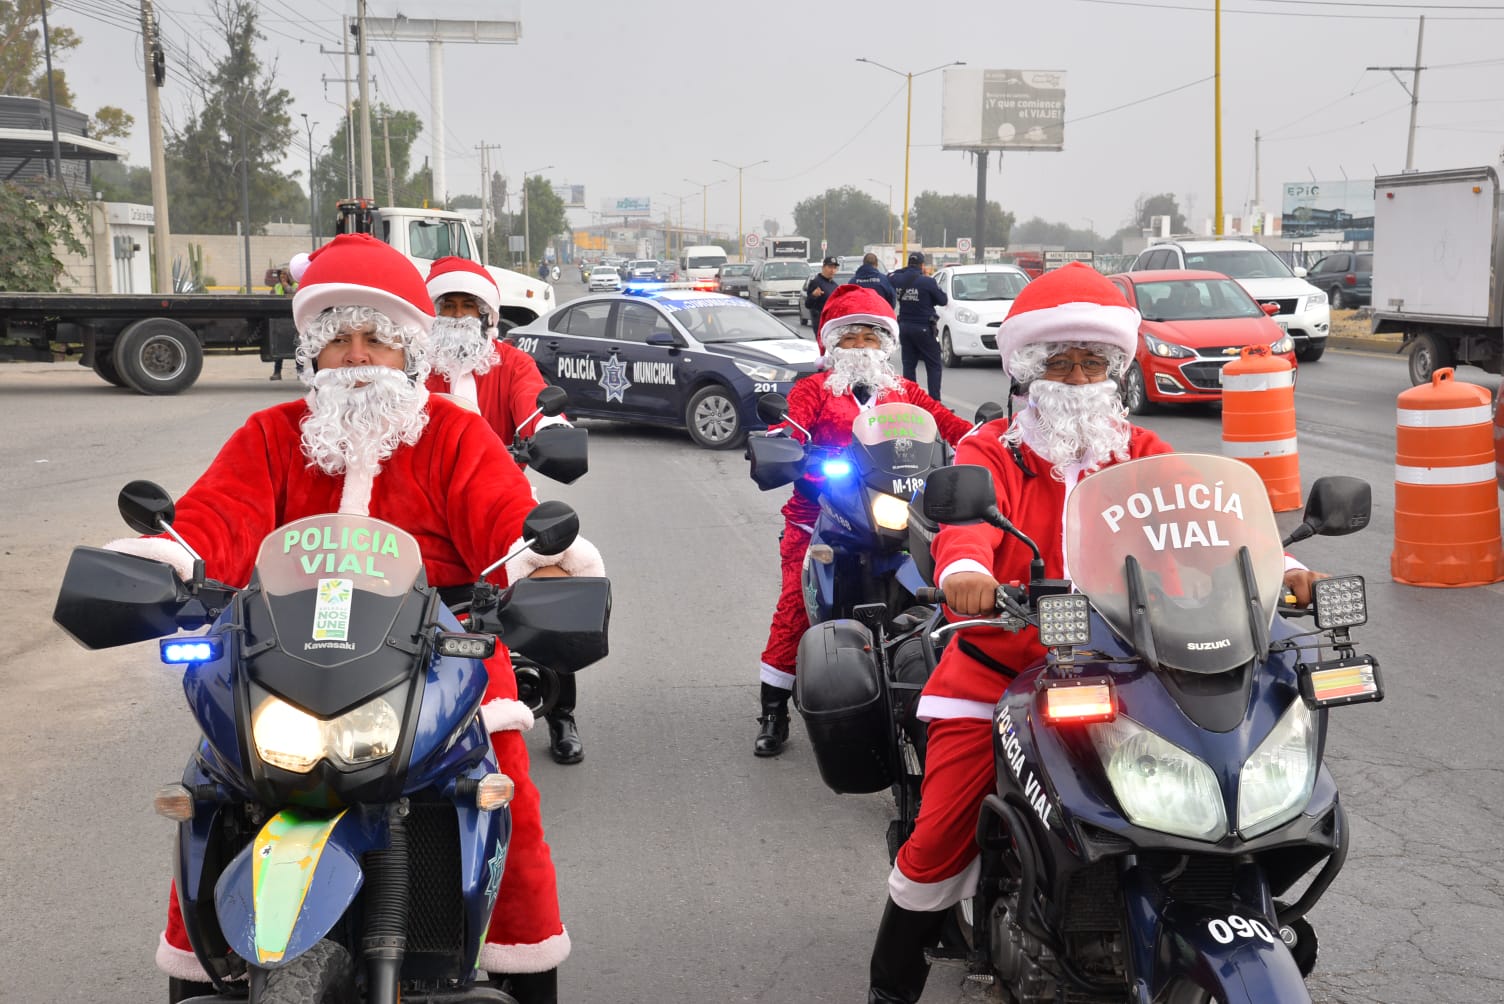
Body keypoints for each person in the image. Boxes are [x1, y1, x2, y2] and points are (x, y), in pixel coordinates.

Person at [106, 234, 577, 1004]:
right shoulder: (272, 435)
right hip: (282, 659)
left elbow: (507, 522)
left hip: (439, 650)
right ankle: (202, 970)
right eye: (339, 340)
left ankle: (525, 968)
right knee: (215, 783)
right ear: (312, 355)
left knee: (503, 788)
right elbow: (214, 519)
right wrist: (164, 561)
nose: (359, 357)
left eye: (379, 338)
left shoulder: (456, 437)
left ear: (410, 349)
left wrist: (540, 567)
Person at [864, 263, 1327, 1002]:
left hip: (1138, 668)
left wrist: (1286, 565)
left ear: (1114, 369)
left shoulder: (1142, 453)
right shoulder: (995, 452)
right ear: (1026, 368)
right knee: (940, 837)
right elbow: (962, 534)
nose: (1077, 378)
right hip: (1004, 669)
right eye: (1059, 360)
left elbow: (1209, 524)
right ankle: (890, 990)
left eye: (1092, 362)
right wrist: (963, 576)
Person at [754, 284, 973, 757]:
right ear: (832, 344)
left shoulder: (904, 391)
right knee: (797, 600)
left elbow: (948, 424)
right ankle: (773, 708)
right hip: (821, 513)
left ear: (886, 345)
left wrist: (985, 436)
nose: (860, 348)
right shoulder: (813, 389)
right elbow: (787, 427)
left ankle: (942, 693)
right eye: (850, 339)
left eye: (870, 339)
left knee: (942, 592)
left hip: (898, 513)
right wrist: (785, 442)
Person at [425, 254, 603, 765]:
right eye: (448, 305)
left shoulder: (511, 363)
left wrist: (549, 432)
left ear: (487, 314)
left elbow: (534, 404)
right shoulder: (412, 366)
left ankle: (561, 713)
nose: (458, 316)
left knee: (552, 585)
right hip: (421, 515)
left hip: (500, 513)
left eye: (469, 306)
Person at [887, 251, 949, 400]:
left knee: (909, 366)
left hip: (905, 327)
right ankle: (934, 401)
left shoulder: (897, 279)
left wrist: (906, 271)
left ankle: (911, 400)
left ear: (908, 264)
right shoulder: (927, 282)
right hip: (924, 328)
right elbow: (943, 300)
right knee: (933, 365)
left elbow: (891, 275)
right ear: (922, 265)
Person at [268, 268, 298, 381]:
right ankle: (277, 372)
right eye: (281, 275)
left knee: (296, 347)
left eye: (285, 274)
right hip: (280, 321)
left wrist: (286, 285)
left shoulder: (295, 285)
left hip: (293, 320)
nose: (282, 277)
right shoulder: (277, 287)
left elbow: (295, 294)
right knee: (279, 348)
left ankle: (300, 372)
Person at [802, 255, 840, 330]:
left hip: (832, 322)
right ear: (823, 268)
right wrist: (814, 295)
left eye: (834, 268)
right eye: (830, 267)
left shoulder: (834, 285)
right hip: (821, 323)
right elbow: (808, 304)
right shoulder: (816, 282)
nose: (832, 271)